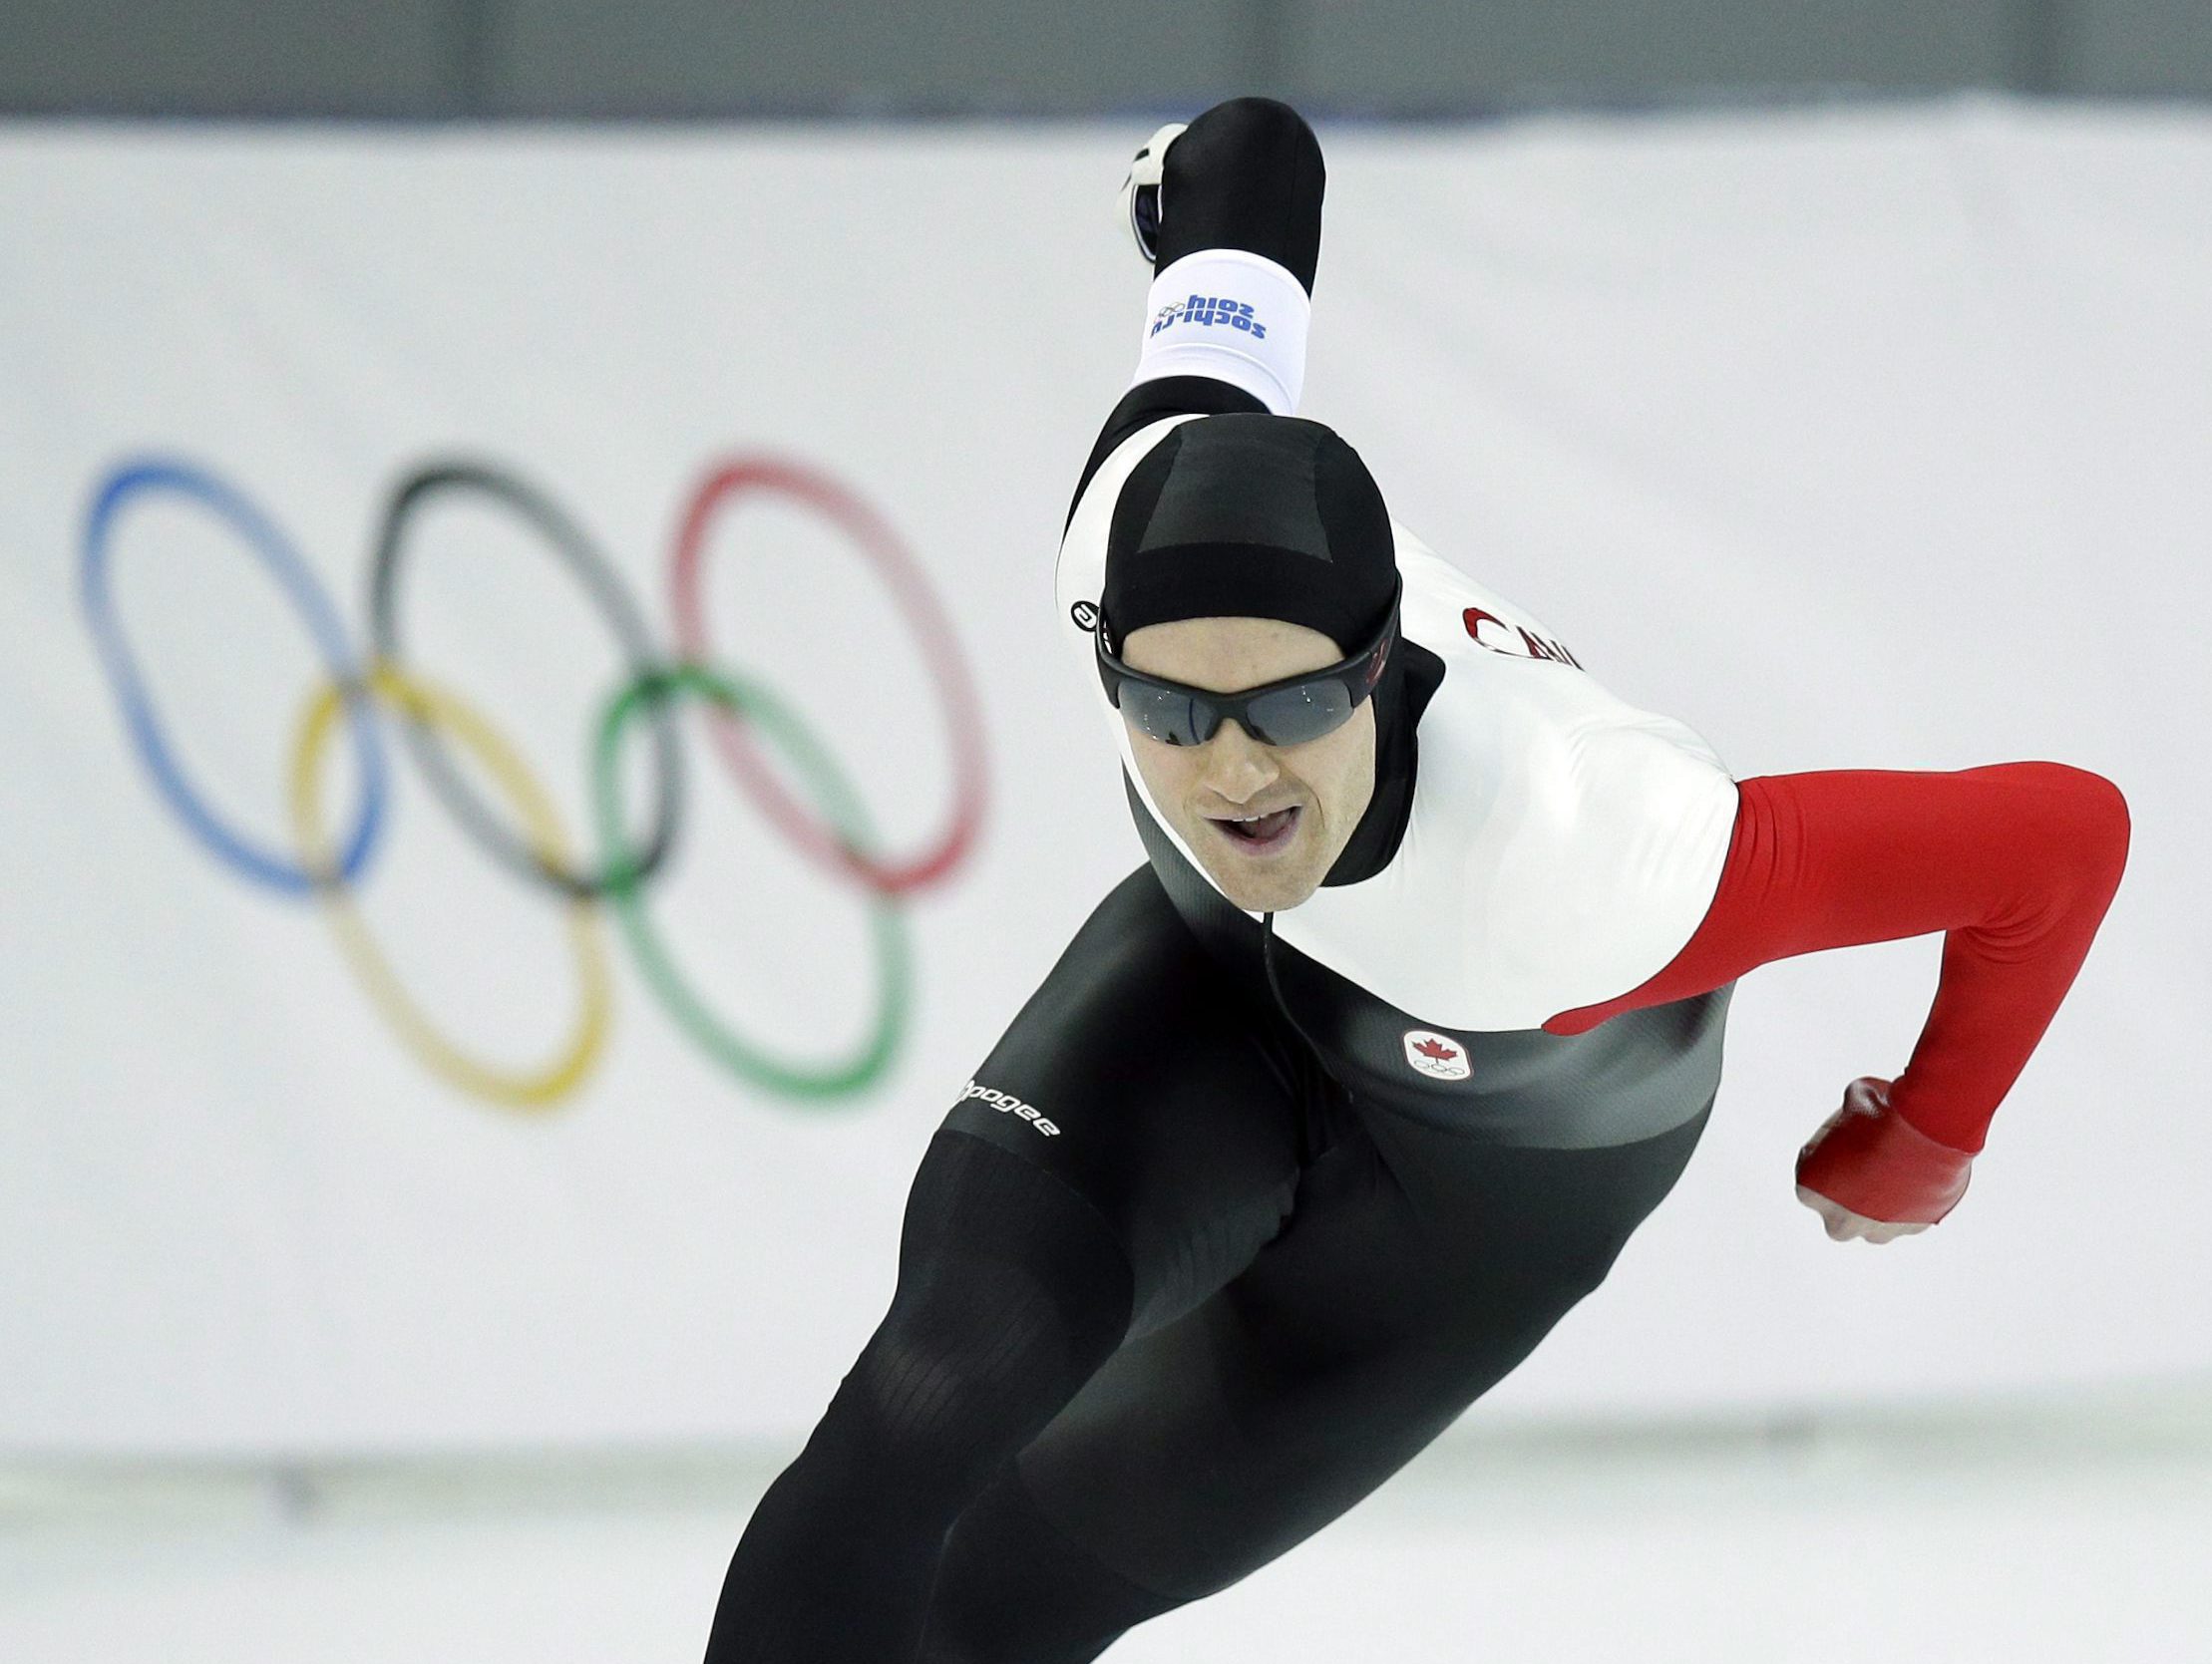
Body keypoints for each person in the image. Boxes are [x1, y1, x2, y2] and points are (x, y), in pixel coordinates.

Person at [704, 99, 2130, 1663]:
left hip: (1481, 1192)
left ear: (1379, 665)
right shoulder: (1127, 509)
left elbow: (2059, 838)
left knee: (1002, 1606)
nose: (1234, 773)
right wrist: (1191, 189)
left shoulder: (1594, 851)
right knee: (921, 1405)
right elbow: (1254, 172)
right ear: (1104, 655)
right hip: (1214, 996)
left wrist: (1923, 1137)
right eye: (1172, 714)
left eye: (1293, 708)